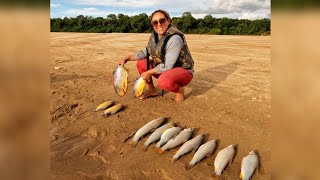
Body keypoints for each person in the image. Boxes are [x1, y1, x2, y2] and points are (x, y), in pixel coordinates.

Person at [118, 9, 194, 102]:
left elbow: (168, 65)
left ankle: (180, 91)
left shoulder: (175, 39)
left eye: (162, 20)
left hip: (183, 70)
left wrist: (149, 72)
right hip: (166, 69)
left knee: (163, 81)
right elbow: (146, 52)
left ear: (168, 20)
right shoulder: (155, 36)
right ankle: (152, 90)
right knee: (141, 63)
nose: (159, 24)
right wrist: (127, 58)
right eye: (155, 22)